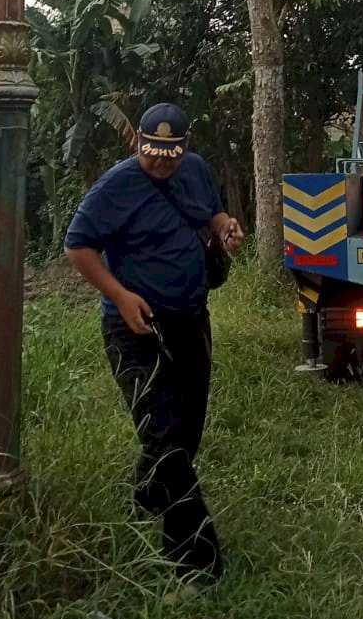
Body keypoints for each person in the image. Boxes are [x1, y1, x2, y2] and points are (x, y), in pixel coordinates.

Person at [63, 103, 244, 583]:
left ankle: (147, 497)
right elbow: (77, 246)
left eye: (171, 155)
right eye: (152, 154)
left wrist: (223, 226)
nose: (162, 163)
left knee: (185, 435)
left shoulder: (198, 171)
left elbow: (212, 212)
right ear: (137, 143)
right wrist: (120, 296)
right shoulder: (115, 186)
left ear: (185, 148)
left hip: (190, 322)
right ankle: (197, 565)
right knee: (166, 442)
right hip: (136, 329)